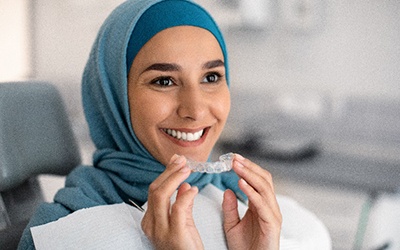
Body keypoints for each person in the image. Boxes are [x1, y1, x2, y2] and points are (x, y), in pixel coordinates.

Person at [18, 0, 282, 249]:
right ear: (113, 96)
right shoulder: (60, 234)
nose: (195, 109)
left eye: (211, 77)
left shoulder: (247, 206)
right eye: (164, 81)